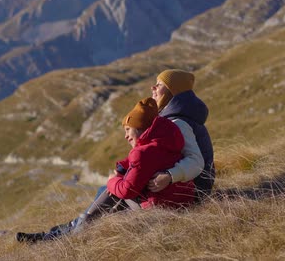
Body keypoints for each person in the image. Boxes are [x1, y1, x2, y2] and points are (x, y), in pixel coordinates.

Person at [16, 97, 195, 242]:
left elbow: (127, 190)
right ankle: (61, 232)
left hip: (158, 210)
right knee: (107, 198)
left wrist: (112, 179)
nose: (125, 135)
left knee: (111, 192)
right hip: (179, 203)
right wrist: (123, 166)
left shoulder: (143, 152)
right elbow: (145, 160)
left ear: (141, 129)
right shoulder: (168, 140)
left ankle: (68, 234)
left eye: (128, 129)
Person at [147, 69, 215, 201]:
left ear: (173, 91)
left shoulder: (178, 122)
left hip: (190, 192)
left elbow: (196, 161)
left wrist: (169, 176)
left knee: (116, 189)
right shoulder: (179, 119)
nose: (153, 87)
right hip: (188, 187)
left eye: (159, 84)